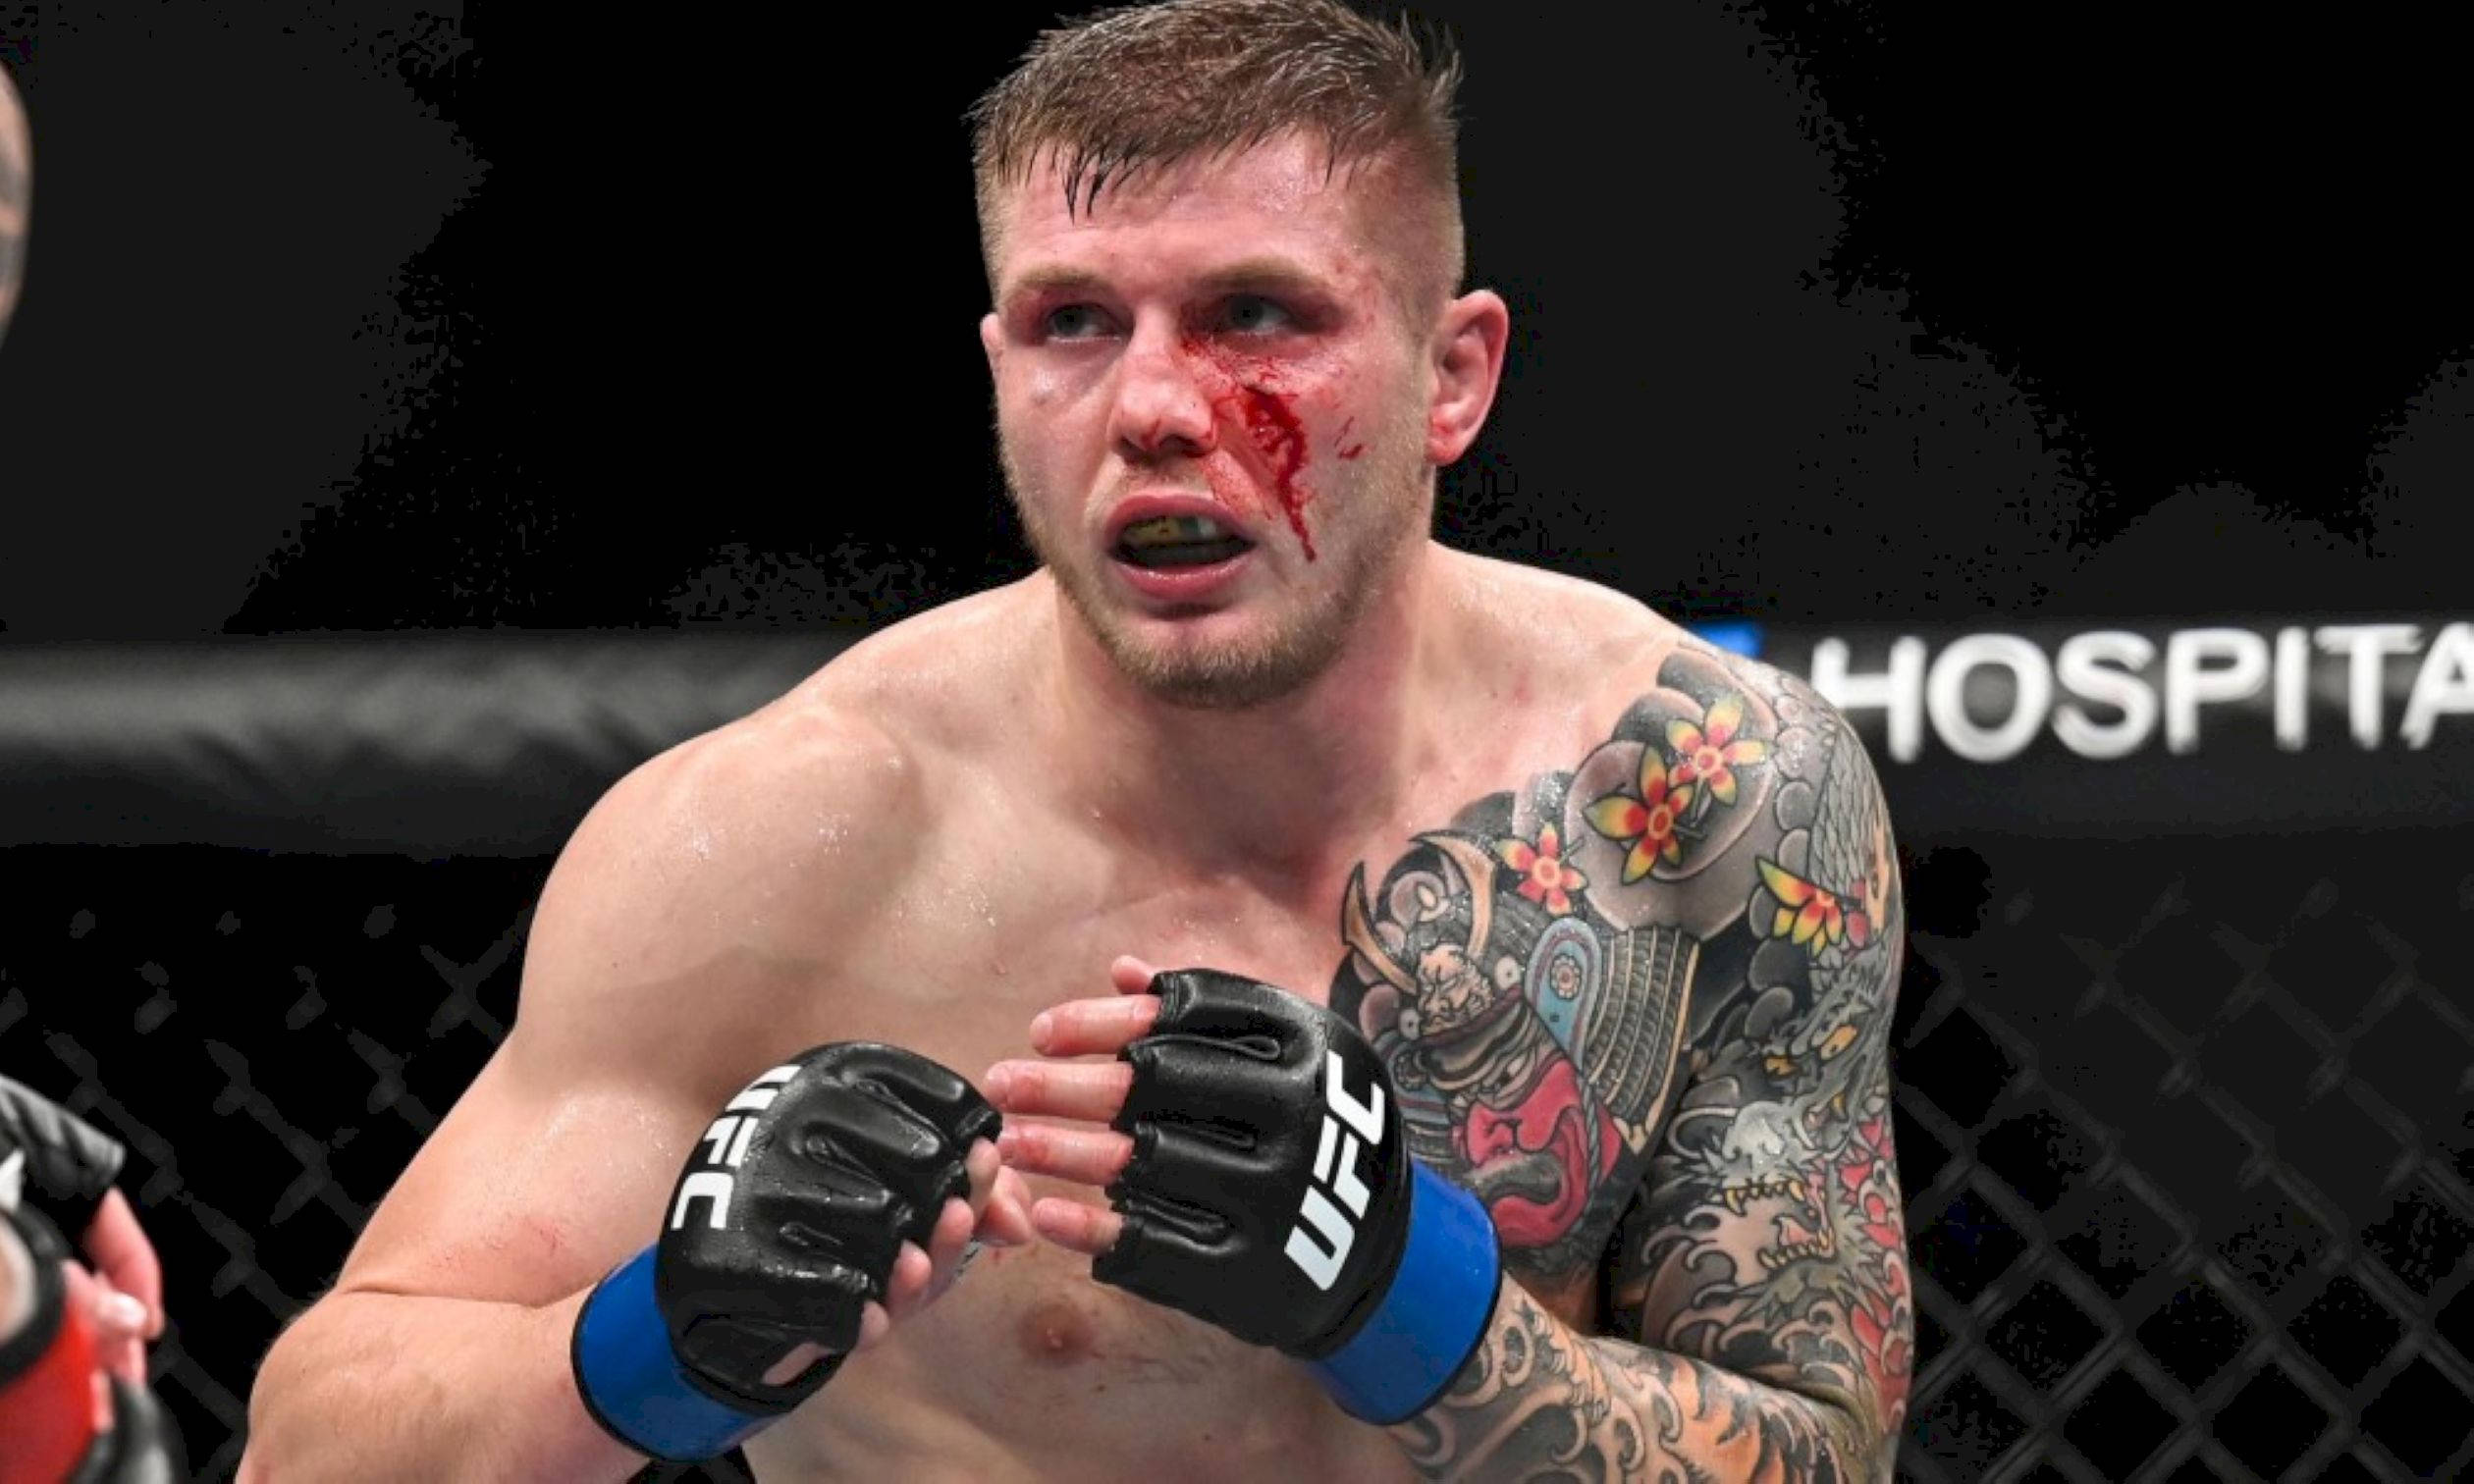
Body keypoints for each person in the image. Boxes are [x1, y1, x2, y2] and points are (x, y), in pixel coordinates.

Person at [243, 1, 1913, 1477]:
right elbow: (307, 1453)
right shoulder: (781, 845)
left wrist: (1415, 1303)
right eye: (1073, 323)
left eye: (1256, 314)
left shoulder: (1701, 797)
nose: (1155, 407)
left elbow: (1824, 1451)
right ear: (999, 369)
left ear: (1453, 375)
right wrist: (641, 1346)